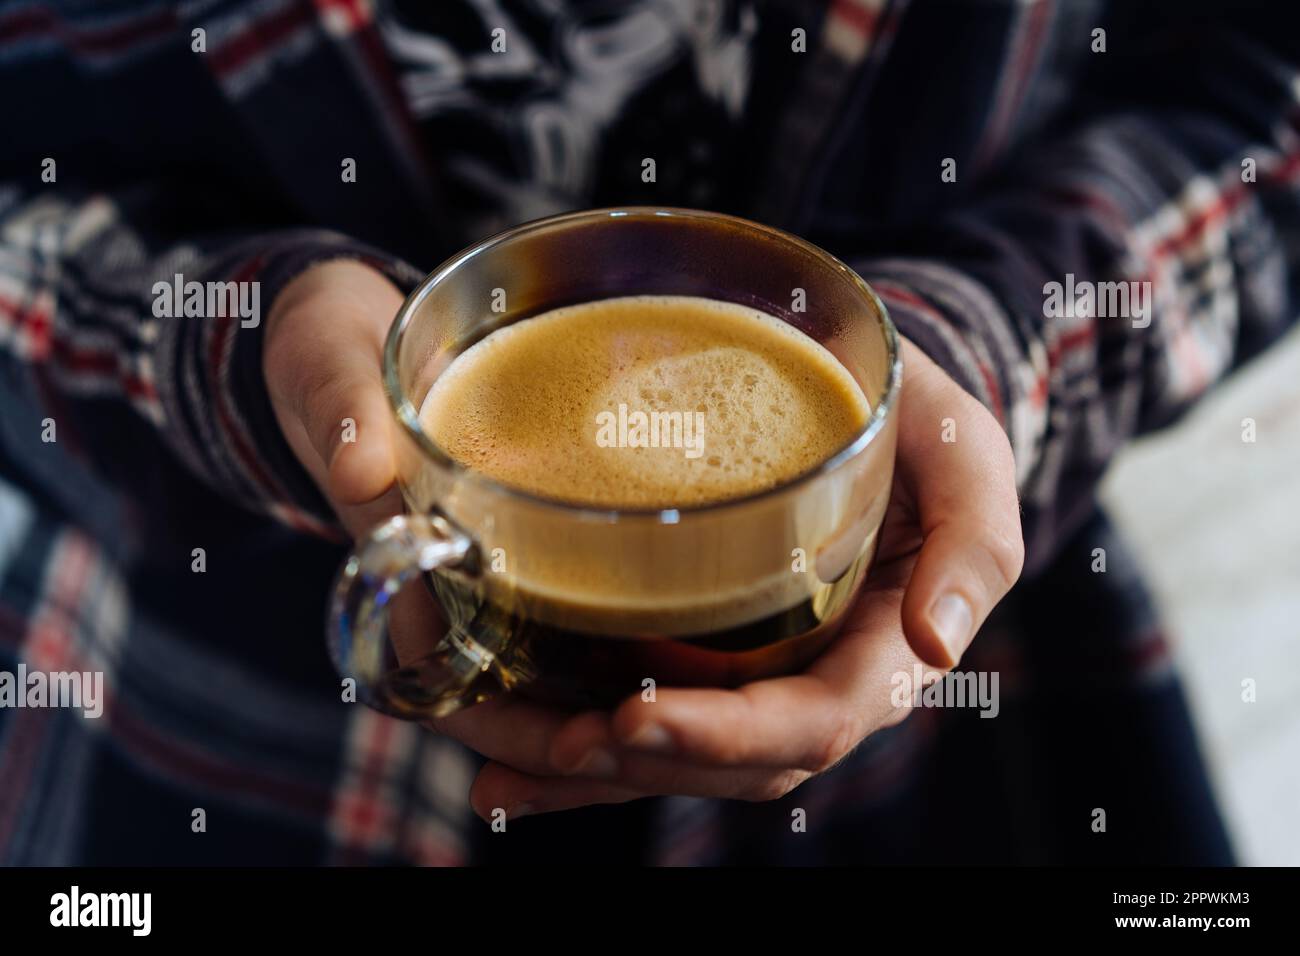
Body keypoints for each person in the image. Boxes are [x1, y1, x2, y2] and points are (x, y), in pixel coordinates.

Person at [0, 0, 1292, 865]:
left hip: (948, 717)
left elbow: (1262, 100)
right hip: (206, 727)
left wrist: (984, 343)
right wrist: (230, 344)